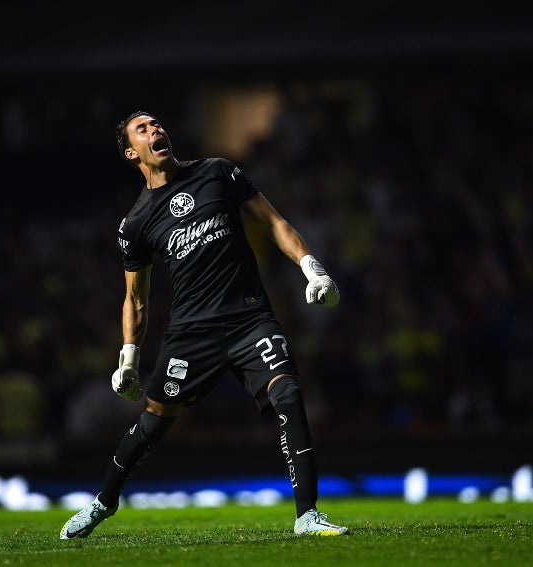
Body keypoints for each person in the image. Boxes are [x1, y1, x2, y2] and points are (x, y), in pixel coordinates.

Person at [60, 111, 349, 539]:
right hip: (192, 333)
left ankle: (307, 515)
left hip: (250, 319)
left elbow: (272, 223)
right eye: (143, 129)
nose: (156, 130)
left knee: (287, 392)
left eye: (157, 124)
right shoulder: (136, 224)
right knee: (154, 422)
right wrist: (128, 358)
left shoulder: (217, 172)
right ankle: (103, 503)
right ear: (131, 152)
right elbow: (136, 298)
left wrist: (313, 269)